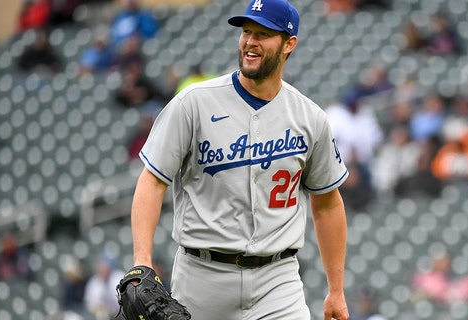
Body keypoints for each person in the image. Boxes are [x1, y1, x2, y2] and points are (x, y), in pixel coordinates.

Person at [128, 1, 350, 319]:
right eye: (246, 31)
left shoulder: (309, 117)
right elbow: (152, 180)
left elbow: (328, 203)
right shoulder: (194, 103)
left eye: (263, 33)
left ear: (289, 44)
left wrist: (336, 290)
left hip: (278, 280)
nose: (250, 41)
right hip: (201, 277)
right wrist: (142, 260)